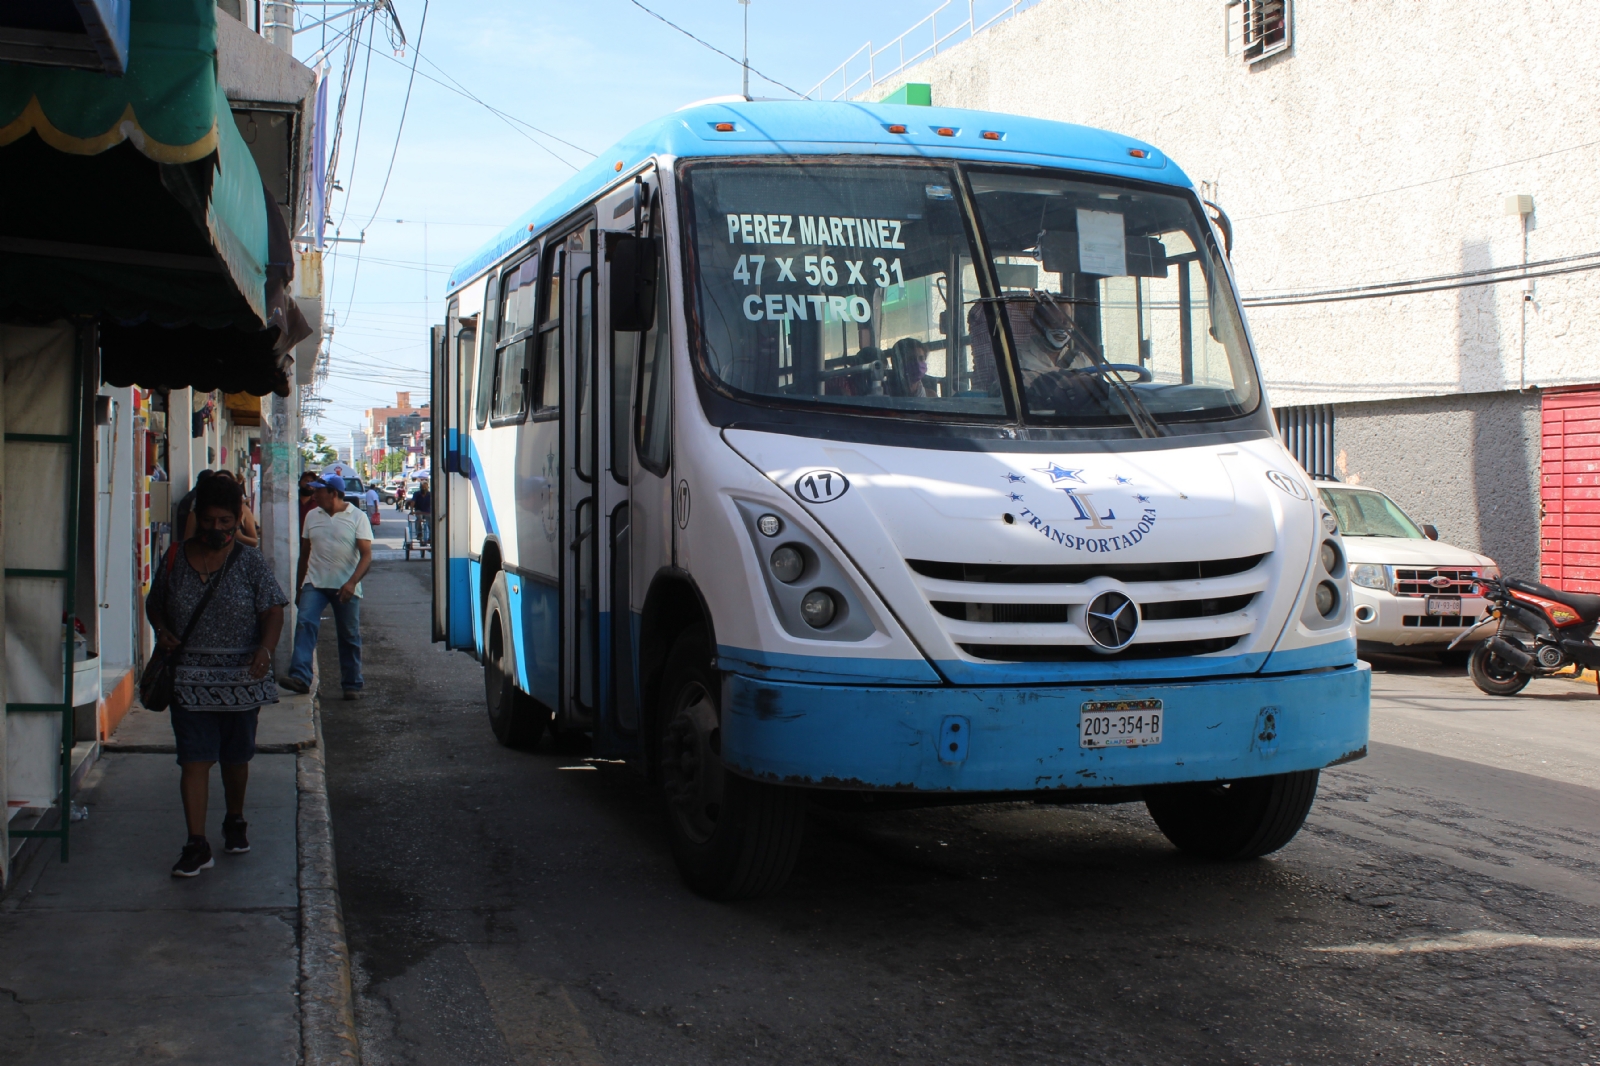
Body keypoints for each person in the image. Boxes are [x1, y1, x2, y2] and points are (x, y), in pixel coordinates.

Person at [146, 474, 288, 877]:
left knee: (235, 758)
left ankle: (235, 819)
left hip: (242, 680)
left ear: (236, 518)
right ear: (197, 516)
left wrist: (266, 649)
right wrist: (161, 629)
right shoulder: (173, 558)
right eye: (210, 521)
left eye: (227, 521)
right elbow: (154, 604)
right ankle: (196, 843)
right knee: (193, 760)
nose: (218, 530)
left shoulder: (249, 562)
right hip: (188, 680)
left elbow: (273, 609)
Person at [281, 474, 372, 701]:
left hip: (345, 586)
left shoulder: (357, 517)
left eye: (318, 490)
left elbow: (366, 555)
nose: (314, 493)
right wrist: (299, 587)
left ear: (333, 493)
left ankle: (352, 683)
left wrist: (352, 583)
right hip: (315, 582)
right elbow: (305, 553)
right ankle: (301, 677)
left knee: (349, 635)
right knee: (305, 623)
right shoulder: (312, 516)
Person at [184, 470, 259, 547]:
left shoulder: (244, 510)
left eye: (225, 521)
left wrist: (240, 537)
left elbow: (254, 542)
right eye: (207, 520)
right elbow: (187, 542)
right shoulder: (196, 512)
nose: (216, 527)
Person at [408, 478, 432, 543]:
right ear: (420, 487)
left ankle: (431, 537)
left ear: (427, 487)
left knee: (431, 522)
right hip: (419, 510)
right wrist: (412, 510)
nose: (424, 488)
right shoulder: (416, 494)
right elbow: (413, 502)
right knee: (419, 519)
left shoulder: (430, 494)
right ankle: (419, 534)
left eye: (425, 487)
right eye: (422, 487)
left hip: (427, 511)